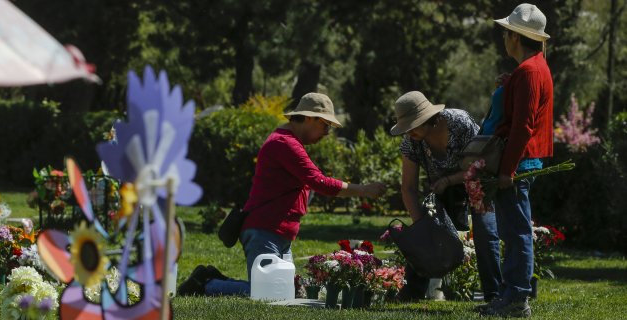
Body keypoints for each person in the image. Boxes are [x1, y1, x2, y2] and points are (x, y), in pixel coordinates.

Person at [177, 92, 386, 296]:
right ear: (310, 119)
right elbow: (319, 182)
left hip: (275, 232)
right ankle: (206, 284)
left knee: (288, 292)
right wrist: (364, 190)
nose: (327, 132)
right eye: (325, 125)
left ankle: (213, 279)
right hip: (265, 230)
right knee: (268, 293)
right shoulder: (284, 144)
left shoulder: (288, 142)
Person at [476, 4, 553, 318]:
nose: (504, 37)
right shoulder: (533, 68)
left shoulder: (529, 71)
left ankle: (516, 299)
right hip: (523, 160)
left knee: (516, 231)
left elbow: (523, 125)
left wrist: (507, 169)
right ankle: (510, 295)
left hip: (518, 163)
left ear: (516, 37)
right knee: (512, 229)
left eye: (507, 32)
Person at [389, 91, 499, 301]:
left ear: (429, 118)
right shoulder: (411, 142)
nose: (409, 131)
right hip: (441, 189)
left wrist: (449, 180)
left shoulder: (460, 123)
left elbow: (482, 163)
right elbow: (408, 188)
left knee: (486, 232)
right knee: (424, 232)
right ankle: (413, 290)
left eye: (413, 125)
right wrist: (422, 227)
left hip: (477, 180)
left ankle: (494, 295)